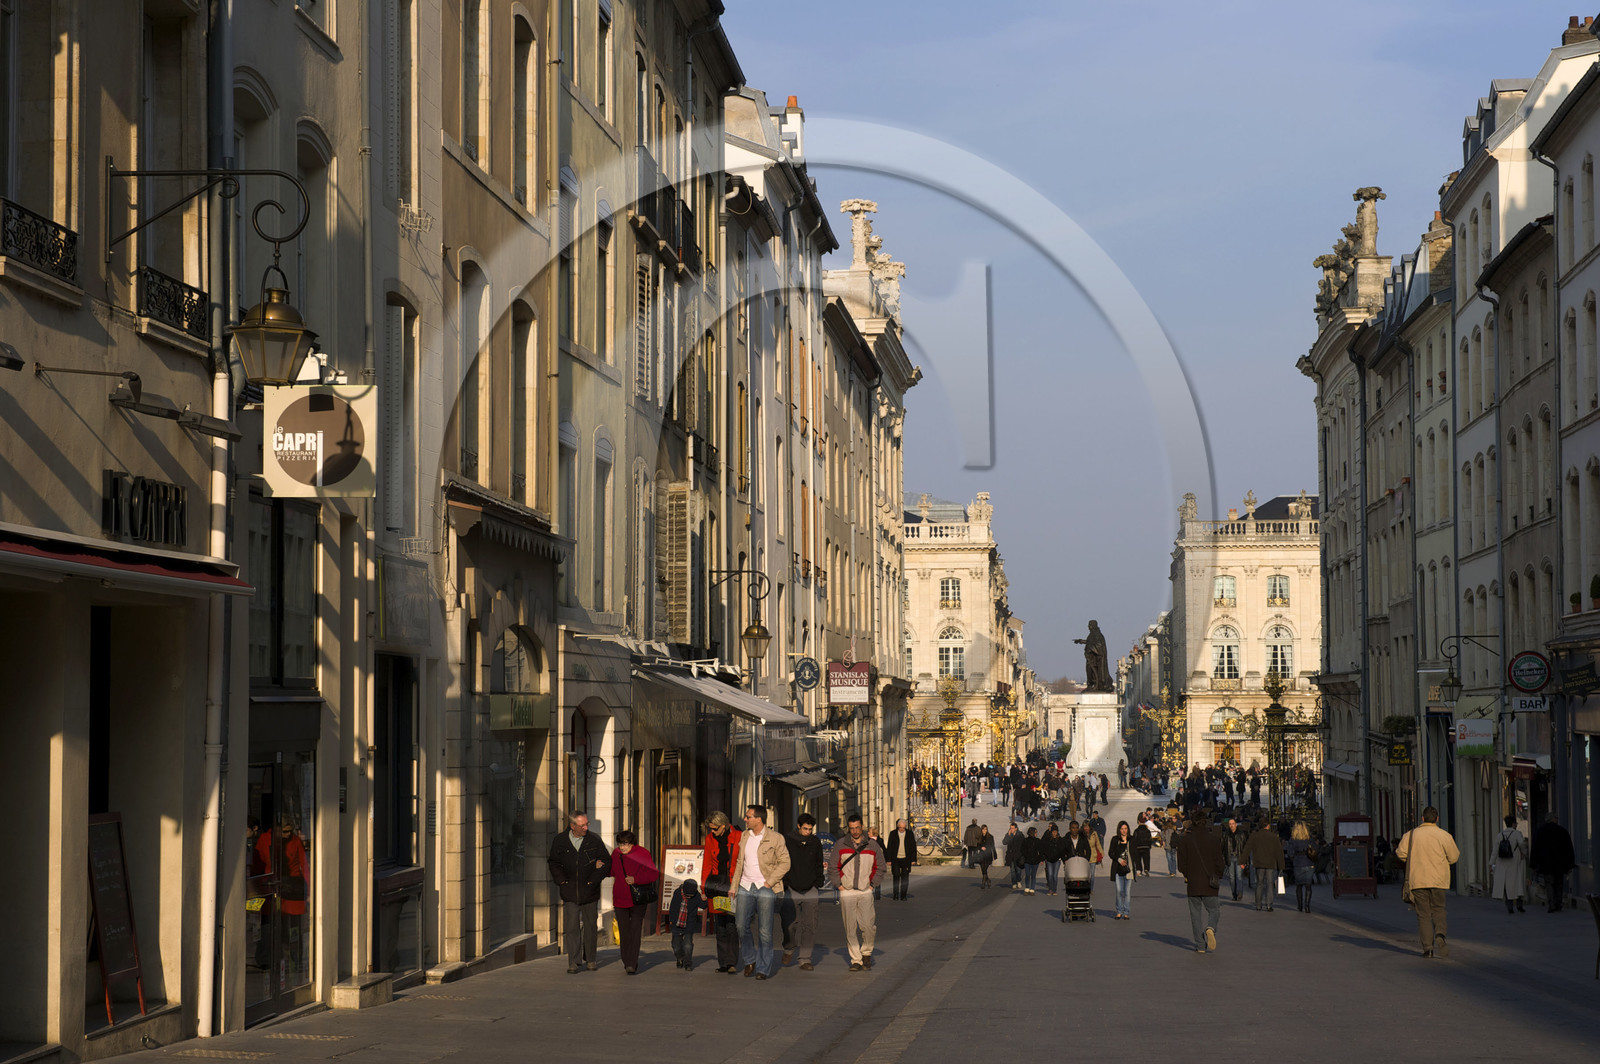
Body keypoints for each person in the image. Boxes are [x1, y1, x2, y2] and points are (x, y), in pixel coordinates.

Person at [547, 810, 611, 973]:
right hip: (569, 891)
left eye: (587, 824)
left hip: (590, 891)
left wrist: (594, 880)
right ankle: (573, 962)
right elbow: (553, 862)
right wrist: (561, 881)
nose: (585, 828)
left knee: (590, 926)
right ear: (572, 826)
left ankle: (590, 959)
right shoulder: (560, 840)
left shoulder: (594, 839)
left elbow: (605, 861)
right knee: (572, 927)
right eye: (582, 825)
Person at [733, 805, 790, 980]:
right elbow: (739, 863)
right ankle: (750, 959)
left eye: (748, 816)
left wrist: (769, 882)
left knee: (765, 931)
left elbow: (785, 862)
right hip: (745, 885)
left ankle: (763, 968)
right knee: (741, 926)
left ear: (759, 819)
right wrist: (733, 886)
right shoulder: (744, 836)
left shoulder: (775, 838)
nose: (745, 819)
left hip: (765, 888)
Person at [1395, 806, 1460, 957]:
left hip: (1418, 879)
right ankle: (1440, 933)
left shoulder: (1411, 835)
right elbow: (1454, 857)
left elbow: (1400, 853)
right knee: (1439, 909)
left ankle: (1428, 948)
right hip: (1438, 880)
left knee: (1423, 914)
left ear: (1422, 818)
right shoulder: (1444, 835)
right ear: (1437, 819)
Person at [835, 813, 884, 971]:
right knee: (850, 927)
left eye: (857, 828)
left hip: (865, 890)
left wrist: (872, 885)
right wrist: (839, 885)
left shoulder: (872, 845)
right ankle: (856, 960)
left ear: (862, 827)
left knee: (868, 926)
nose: (855, 831)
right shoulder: (841, 844)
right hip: (847, 890)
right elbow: (832, 867)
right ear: (848, 829)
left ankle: (867, 953)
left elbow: (880, 866)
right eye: (851, 829)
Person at [610, 830, 659, 975]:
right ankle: (627, 961)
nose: (623, 847)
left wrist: (635, 879)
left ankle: (632, 963)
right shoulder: (616, 854)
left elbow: (653, 873)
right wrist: (600, 866)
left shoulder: (642, 853)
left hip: (638, 899)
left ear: (632, 843)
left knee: (635, 930)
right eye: (620, 844)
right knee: (624, 932)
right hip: (620, 898)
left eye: (625, 844)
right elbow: (612, 871)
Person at [699, 811, 742, 973]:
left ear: (723, 826)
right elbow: (707, 863)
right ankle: (723, 962)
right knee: (720, 925)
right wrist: (703, 888)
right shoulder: (710, 839)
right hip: (717, 886)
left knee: (732, 924)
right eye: (710, 829)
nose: (712, 832)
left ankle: (731, 962)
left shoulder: (739, 836)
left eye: (715, 829)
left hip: (733, 885)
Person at [1176, 811, 1224, 953]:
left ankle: (1200, 945)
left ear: (1192, 822)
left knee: (1195, 915)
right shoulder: (1213, 840)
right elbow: (1220, 863)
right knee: (1214, 910)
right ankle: (1211, 928)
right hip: (1210, 883)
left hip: (1193, 884)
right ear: (1205, 822)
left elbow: (1181, 865)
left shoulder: (1185, 840)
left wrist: (1188, 874)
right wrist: (1218, 875)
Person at [781, 813, 825, 969]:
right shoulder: (787, 840)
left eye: (810, 829)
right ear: (798, 826)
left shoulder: (815, 842)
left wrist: (818, 882)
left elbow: (819, 863)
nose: (808, 832)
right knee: (790, 924)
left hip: (811, 888)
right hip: (791, 887)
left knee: (810, 925)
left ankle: (805, 959)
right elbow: (782, 862)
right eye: (805, 829)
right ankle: (789, 947)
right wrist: (785, 883)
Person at [1529, 812, 1577, 913]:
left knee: (1549, 883)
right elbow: (1568, 849)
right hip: (1559, 863)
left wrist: (1533, 863)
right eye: (1556, 818)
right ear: (1553, 819)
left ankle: (1551, 903)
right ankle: (1558, 903)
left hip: (1546, 863)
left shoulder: (1540, 831)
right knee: (1559, 883)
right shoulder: (1562, 831)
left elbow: (1535, 848)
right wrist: (1570, 864)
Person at [1490, 814, 1527, 914]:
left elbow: (1494, 851)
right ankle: (1519, 905)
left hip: (1502, 862)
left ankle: (1509, 906)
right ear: (1514, 824)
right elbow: (1522, 844)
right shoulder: (1517, 834)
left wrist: (1491, 863)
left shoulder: (1500, 835)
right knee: (1518, 884)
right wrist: (1524, 853)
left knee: (1507, 885)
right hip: (1515, 861)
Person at [1247, 817, 1285, 911]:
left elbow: (1248, 848)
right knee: (1270, 884)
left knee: (1259, 884)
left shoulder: (1255, 836)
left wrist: (1243, 860)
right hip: (1270, 863)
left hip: (1259, 863)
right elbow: (1279, 852)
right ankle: (1269, 904)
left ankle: (1258, 904)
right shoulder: (1273, 836)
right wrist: (1281, 865)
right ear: (1268, 826)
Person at [665, 875, 703, 970]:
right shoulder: (677, 893)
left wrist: (704, 899)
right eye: (688, 895)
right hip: (676, 923)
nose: (689, 897)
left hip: (689, 924)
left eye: (691, 896)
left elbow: (703, 905)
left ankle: (688, 963)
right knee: (676, 945)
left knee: (688, 945)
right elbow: (672, 908)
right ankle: (680, 958)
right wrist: (671, 920)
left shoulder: (696, 895)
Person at [885, 819, 919, 901]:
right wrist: (888, 860)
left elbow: (913, 847)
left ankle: (903, 895)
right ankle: (895, 894)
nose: (902, 829)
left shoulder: (910, 834)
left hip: (906, 859)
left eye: (903, 828)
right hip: (895, 859)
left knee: (905, 878)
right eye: (900, 827)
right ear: (897, 827)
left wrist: (913, 859)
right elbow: (889, 847)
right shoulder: (893, 834)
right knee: (896, 876)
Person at [1287, 821, 1316, 913]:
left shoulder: (1292, 840)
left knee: (1299, 886)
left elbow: (1290, 852)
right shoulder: (1309, 839)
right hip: (1309, 863)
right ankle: (1307, 906)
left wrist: (1294, 858)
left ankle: (1300, 906)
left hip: (1298, 863)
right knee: (1308, 886)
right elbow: (1316, 849)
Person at [1108, 821, 1134, 919]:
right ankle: (1119, 911)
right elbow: (1110, 853)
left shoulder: (1131, 839)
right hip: (1118, 870)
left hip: (1129, 870)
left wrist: (1139, 868)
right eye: (1122, 829)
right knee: (1119, 891)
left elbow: (1135, 854)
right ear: (1119, 829)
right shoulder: (1115, 839)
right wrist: (1118, 859)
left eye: (1125, 828)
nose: (1124, 831)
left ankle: (1126, 912)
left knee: (1127, 892)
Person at [1221, 817, 1249, 901]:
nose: (1231, 825)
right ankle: (1234, 893)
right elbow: (1222, 848)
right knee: (1232, 877)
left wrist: (1245, 861)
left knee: (1239, 876)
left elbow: (1245, 848)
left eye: (1233, 824)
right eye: (1230, 824)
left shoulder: (1241, 834)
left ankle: (1239, 893)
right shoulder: (1225, 834)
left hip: (1239, 857)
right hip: (1229, 857)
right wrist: (1223, 859)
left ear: (1236, 824)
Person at [1040, 823, 1064, 896]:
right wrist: (1043, 858)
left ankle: (1054, 889)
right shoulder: (1047, 839)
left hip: (1057, 860)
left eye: (1056, 832)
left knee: (1054, 875)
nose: (1054, 833)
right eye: (1053, 832)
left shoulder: (1060, 839)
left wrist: (1063, 859)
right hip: (1049, 860)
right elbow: (1043, 849)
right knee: (1050, 875)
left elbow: (1062, 850)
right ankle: (1050, 889)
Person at [1002, 823, 1025, 891]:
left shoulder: (1020, 835)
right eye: (1010, 828)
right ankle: (1014, 883)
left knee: (1018, 870)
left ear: (1016, 828)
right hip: (1011, 856)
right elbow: (1004, 842)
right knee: (1012, 870)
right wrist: (1008, 835)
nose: (1011, 829)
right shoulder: (1009, 835)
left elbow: (1023, 845)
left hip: (1018, 856)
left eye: (1012, 828)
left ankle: (1018, 881)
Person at [1131, 813, 1154, 878]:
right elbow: (1150, 839)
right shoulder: (1148, 831)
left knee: (1138, 859)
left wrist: (1133, 847)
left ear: (1139, 822)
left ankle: (1139, 870)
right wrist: (1149, 846)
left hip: (1138, 847)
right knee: (1146, 859)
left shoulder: (1136, 830)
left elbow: (1134, 839)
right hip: (1146, 847)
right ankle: (1146, 869)